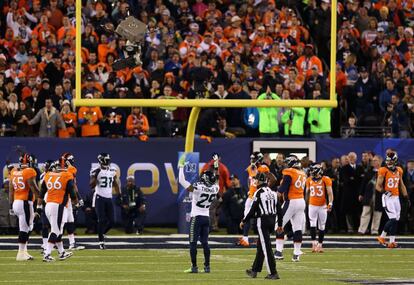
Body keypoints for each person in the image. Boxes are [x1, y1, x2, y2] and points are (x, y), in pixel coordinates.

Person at [179, 154, 220, 274]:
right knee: (205, 243)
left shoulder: (198, 187)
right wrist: (216, 164)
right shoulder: (215, 188)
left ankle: (194, 267)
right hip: (206, 218)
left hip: (196, 217)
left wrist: (181, 166)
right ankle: (207, 267)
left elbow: (182, 180)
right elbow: (217, 178)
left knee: (192, 243)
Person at [240, 172, 282, 280]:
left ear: (258, 181)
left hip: (262, 221)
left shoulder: (258, 193)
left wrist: (244, 220)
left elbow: (252, 209)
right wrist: (280, 224)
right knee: (261, 246)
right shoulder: (273, 192)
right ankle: (254, 270)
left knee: (266, 247)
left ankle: (273, 272)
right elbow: (279, 210)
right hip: (272, 220)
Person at [39, 158, 77, 262]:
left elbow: (41, 192)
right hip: (58, 205)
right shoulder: (66, 175)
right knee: (55, 230)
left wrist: (38, 207)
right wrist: (75, 202)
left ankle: (62, 252)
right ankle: (47, 254)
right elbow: (72, 192)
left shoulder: (48, 175)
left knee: (58, 229)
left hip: (48, 205)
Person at [238, 152, 276, 246]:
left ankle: (261, 238)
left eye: (253, 159)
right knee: (246, 216)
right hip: (251, 196)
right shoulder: (251, 168)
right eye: (251, 159)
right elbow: (249, 180)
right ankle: (245, 239)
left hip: (260, 196)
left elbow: (273, 179)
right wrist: (250, 189)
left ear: (258, 159)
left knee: (261, 217)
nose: (252, 161)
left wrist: (266, 188)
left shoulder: (263, 168)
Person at [275, 155, 307, 262]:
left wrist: (275, 196)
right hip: (301, 201)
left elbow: (283, 187)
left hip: (291, 201)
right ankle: (296, 253)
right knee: (297, 228)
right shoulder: (302, 173)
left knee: (278, 225)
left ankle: (279, 251)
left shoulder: (290, 172)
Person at [8, 153, 40, 261]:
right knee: (25, 228)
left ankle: (24, 252)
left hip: (17, 202)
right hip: (25, 203)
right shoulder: (29, 171)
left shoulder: (13, 172)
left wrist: (10, 205)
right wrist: (44, 197)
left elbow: (11, 190)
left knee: (28, 227)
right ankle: (20, 253)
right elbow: (34, 188)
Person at [376, 152, 410, 248]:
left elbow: (401, 184)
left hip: (396, 197)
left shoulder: (399, 170)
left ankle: (389, 240)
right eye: (388, 161)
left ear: (395, 161)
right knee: (393, 219)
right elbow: (377, 186)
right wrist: (385, 192)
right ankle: (385, 238)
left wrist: (406, 196)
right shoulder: (383, 170)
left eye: (391, 161)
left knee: (396, 220)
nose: (389, 163)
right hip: (387, 198)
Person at [90, 153, 120, 249]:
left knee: (112, 221)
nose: (107, 161)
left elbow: (115, 183)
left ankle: (102, 233)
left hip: (109, 197)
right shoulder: (95, 170)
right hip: (99, 197)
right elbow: (91, 185)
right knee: (102, 220)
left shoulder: (112, 170)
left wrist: (119, 194)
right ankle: (101, 241)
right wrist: (96, 175)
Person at [306, 163, 333, 253]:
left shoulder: (326, 179)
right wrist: (304, 203)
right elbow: (307, 193)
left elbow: (330, 193)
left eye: (313, 169)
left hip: (322, 206)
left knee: (322, 225)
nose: (311, 171)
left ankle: (320, 245)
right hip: (312, 204)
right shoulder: (309, 180)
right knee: (313, 224)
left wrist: (330, 203)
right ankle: (314, 243)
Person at [61, 153, 85, 250]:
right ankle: (51, 244)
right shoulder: (70, 170)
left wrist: (78, 197)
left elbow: (73, 185)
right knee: (61, 222)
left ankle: (72, 243)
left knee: (70, 220)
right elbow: (73, 186)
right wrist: (79, 198)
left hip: (67, 199)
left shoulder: (61, 169)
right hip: (62, 199)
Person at [358, 155, 383, 235]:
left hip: (379, 195)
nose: (374, 162)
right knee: (365, 212)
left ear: (380, 161)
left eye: (375, 160)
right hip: (368, 195)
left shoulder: (384, 171)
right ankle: (362, 230)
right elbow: (363, 183)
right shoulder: (369, 171)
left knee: (377, 213)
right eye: (373, 160)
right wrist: (361, 194)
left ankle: (375, 230)